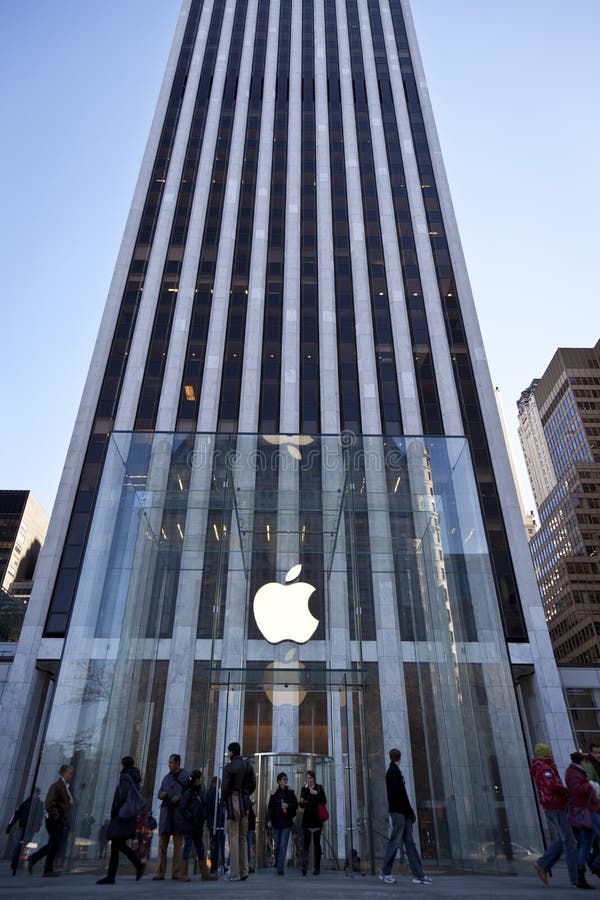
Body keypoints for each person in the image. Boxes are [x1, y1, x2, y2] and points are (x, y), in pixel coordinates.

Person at [379, 748, 431, 885]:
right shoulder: (393, 772)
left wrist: (409, 811)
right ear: (399, 758)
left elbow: (401, 795)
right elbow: (400, 795)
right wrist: (409, 811)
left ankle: (418, 874)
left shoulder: (393, 772)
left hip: (402, 812)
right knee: (396, 841)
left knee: (409, 843)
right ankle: (385, 871)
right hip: (399, 812)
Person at [529, 742, 578, 887]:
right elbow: (552, 785)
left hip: (553, 806)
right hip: (555, 806)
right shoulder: (545, 768)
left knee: (564, 840)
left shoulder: (541, 768)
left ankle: (543, 865)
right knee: (570, 842)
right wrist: (567, 791)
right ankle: (575, 878)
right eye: (549, 751)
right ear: (545, 753)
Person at [96, 756, 145, 885]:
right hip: (129, 816)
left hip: (121, 816)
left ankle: (114, 875)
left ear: (123, 764)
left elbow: (122, 797)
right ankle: (134, 866)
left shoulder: (125, 777)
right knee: (119, 846)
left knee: (117, 845)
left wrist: (115, 811)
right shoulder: (135, 777)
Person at [27, 764, 74, 877]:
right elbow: (49, 803)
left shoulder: (64, 787)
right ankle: (45, 868)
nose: (71, 775)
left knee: (54, 844)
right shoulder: (57, 786)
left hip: (58, 819)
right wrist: (56, 816)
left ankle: (36, 860)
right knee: (54, 844)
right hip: (54, 819)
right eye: (70, 773)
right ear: (63, 773)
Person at [221, 741, 256, 882]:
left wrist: (226, 799)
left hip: (233, 804)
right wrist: (246, 794)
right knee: (243, 837)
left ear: (232, 752)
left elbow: (225, 788)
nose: (228, 754)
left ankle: (234, 873)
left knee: (234, 837)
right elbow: (253, 784)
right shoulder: (248, 765)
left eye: (229, 752)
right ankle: (244, 871)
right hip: (245, 804)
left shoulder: (229, 767)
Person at [566, 750, 600, 889]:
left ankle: (581, 875)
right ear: (583, 761)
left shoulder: (575, 772)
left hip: (585, 811)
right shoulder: (575, 773)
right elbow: (578, 790)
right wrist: (591, 784)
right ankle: (596, 865)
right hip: (587, 811)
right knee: (586, 843)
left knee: (585, 844)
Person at [176, 769, 217, 881]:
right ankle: (183, 873)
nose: (202, 779)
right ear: (196, 780)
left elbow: (203, 806)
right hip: (190, 825)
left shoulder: (200, 792)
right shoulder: (189, 792)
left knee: (200, 848)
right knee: (188, 848)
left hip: (198, 826)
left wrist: (202, 817)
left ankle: (204, 873)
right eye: (200, 778)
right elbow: (183, 808)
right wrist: (191, 817)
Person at [152, 753, 189, 880]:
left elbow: (189, 795)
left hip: (178, 814)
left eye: (172, 763)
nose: (169, 765)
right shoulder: (166, 778)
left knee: (178, 845)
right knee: (162, 843)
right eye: (169, 762)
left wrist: (179, 797)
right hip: (166, 813)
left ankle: (176, 872)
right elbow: (159, 792)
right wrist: (161, 794)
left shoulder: (185, 776)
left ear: (178, 763)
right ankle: (160, 871)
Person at [6, 787, 43, 875]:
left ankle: (19, 863)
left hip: (30, 829)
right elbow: (17, 814)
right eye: (34, 794)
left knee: (25, 847)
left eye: (37, 794)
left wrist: (37, 827)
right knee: (17, 846)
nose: (35, 795)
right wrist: (10, 826)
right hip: (22, 828)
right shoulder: (26, 803)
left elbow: (40, 816)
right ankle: (14, 863)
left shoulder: (40, 804)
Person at [267, 772, 298, 875]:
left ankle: (280, 868)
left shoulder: (290, 792)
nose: (286, 781)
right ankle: (278, 861)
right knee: (277, 847)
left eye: (286, 779)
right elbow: (270, 808)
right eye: (284, 779)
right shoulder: (274, 793)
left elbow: (296, 805)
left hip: (286, 823)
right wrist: (269, 820)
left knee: (283, 845)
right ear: (279, 781)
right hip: (276, 823)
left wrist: (287, 806)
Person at [298, 769, 327, 876]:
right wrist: (301, 801)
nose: (308, 780)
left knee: (316, 844)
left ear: (314, 778)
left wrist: (317, 793)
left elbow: (324, 801)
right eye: (307, 778)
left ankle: (317, 867)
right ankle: (304, 866)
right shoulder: (304, 788)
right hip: (306, 820)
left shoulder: (319, 788)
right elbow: (301, 805)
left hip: (317, 820)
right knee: (306, 844)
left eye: (310, 778)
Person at [206, 776, 226, 876]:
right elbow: (213, 809)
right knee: (215, 845)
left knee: (214, 844)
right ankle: (214, 866)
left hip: (212, 822)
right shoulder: (214, 793)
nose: (220, 786)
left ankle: (214, 866)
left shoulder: (211, 792)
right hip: (214, 823)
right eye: (219, 784)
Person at [247, 797, 256, 873]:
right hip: (248, 827)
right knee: (248, 846)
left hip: (249, 827)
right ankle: (247, 864)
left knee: (248, 846)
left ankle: (248, 864)